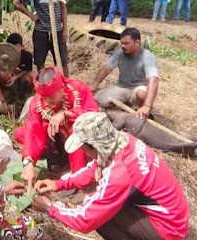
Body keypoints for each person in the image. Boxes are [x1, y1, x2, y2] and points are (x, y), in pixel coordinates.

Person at [32, 111, 189, 240]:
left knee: (100, 218)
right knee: (102, 206)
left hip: (168, 231)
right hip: (174, 215)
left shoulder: (119, 174)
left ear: (92, 147)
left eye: (82, 147)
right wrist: (59, 184)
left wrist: (49, 207)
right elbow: (95, 166)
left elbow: (84, 220)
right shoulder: (124, 140)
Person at [15, 66, 100, 195]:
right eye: (44, 97)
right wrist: (28, 163)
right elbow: (33, 130)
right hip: (56, 137)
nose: (48, 101)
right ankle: (55, 152)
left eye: (51, 96)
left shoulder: (78, 88)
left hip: (78, 134)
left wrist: (67, 114)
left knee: (76, 132)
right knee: (21, 133)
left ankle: (77, 174)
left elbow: (94, 115)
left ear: (62, 88)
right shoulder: (38, 101)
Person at [89, 27, 159, 119]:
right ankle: (126, 104)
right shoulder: (120, 52)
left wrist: (146, 105)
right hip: (122, 86)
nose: (123, 46)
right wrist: (94, 84)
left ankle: (147, 112)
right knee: (98, 101)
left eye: (126, 43)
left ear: (137, 42)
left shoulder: (147, 57)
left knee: (141, 94)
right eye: (122, 43)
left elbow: (153, 80)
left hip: (138, 88)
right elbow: (106, 69)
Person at [14, 0, 69, 77]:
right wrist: (31, 16)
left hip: (58, 31)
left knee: (63, 62)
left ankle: (65, 85)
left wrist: (65, 30)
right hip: (41, 32)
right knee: (40, 62)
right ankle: (43, 85)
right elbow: (17, 3)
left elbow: (63, 8)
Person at [0, 33, 35, 113]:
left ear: (22, 46)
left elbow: (27, 70)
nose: (15, 51)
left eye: (17, 48)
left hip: (21, 80)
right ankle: (4, 95)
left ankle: (26, 95)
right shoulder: (1, 57)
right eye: (12, 49)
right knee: (2, 74)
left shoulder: (27, 56)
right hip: (7, 81)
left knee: (32, 76)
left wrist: (16, 77)